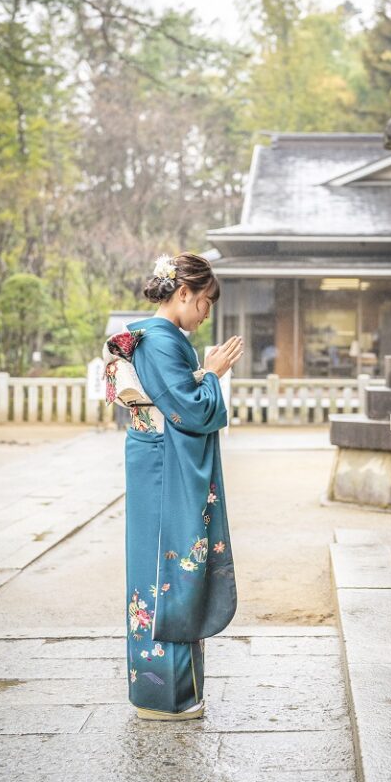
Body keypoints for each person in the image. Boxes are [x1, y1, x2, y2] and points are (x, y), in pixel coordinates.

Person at [109, 252, 243, 721]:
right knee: (169, 570)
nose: (206, 313)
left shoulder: (161, 336)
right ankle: (164, 697)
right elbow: (191, 411)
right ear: (183, 293)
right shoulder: (160, 340)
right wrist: (211, 374)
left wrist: (203, 374)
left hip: (160, 460)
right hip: (164, 465)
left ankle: (174, 692)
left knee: (170, 567)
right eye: (205, 302)